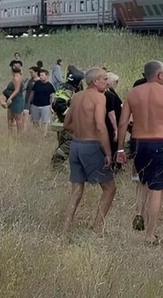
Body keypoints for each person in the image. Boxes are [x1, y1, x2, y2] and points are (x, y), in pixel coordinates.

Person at [116, 60, 163, 244]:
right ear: (160, 75)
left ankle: (141, 216)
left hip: (138, 143)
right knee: (157, 189)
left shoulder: (133, 93)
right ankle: (150, 234)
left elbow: (122, 123)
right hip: (159, 142)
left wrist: (121, 148)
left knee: (143, 181)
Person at [60, 68, 116, 242]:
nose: (107, 82)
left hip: (76, 146)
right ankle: (96, 229)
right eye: (104, 79)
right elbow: (100, 126)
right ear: (95, 82)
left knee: (76, 190)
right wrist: (107, 153)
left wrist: (82, 132)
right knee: (110, 188)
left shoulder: (76, 97)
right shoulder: (100, 97)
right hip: (91, 147)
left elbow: (67, 124)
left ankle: (64, 230)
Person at [29, 69, 57, 137]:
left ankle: (43, 134)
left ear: (47, 76)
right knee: (35, 121)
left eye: (42, 75)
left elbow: (52, 97)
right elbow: (32, 93)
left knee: (45, 122)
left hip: (45, 106)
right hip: (35, 105)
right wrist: (29, 103)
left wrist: (51, 106)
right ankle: (35, 134)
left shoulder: (50, 86)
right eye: (40, 75)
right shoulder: (37, 83)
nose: (41, 77)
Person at [104, 72, 123, 172]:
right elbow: (111, 113)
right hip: (111, 125)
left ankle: (116, 165)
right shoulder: (109, 94)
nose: (117, 83)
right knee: (113, 144)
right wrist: (116, 129)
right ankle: (113, 166)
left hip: (116, 123)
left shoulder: (111, 93)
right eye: (115, 81)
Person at [4, 63, 25, 135]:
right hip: (14, 99)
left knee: (18, 119)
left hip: (16, 100)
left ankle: (19, 135)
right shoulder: (18, 76)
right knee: (11, 118)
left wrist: (10, 98)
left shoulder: (16, 78)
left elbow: (17, 90)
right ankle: (11, 135)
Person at [23, 66, 40, 131]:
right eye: (30, 72)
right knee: (25, 114)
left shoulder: (39, 81)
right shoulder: (30, 80)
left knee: (35, 117)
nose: (30, 74)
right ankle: (25, 129)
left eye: (32, 72)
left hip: (36, 101)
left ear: (36, 72)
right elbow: (25, 89)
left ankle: (36, 129)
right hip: (27, 100)